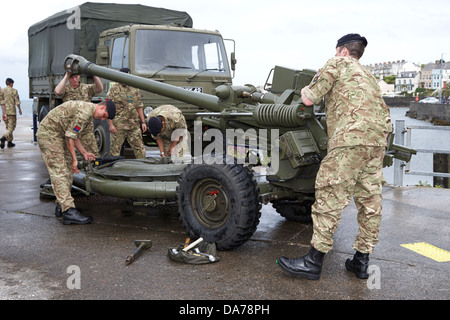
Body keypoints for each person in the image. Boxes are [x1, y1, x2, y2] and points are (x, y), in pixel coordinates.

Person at [277, 34, 393, 280]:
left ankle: (313, 261)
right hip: (377, 141)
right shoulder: (369, 75)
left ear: (341, 50)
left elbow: (309, 99)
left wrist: (305, 89)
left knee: (329, 195)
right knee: (370, 202)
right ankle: (361, 261)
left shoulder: (336, 63)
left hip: (350, 140)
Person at [37, 100, 116, 225]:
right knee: (60, 171)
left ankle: (62, 206)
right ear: (102, 107)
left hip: (59, 135)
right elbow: (70, 136)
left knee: (68, 169)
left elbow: (74, 135)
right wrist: (75, 159)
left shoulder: (89, 114)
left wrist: (84, 153)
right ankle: (68, 211)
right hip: (49, 135)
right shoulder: (84, 113)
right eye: (104, 115)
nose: (102, 119)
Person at [55, 69, 104, 156]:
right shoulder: (65, 89)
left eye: (76, 77)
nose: (74, 79)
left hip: (86, 129)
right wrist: (66, 76)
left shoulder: (86, 88)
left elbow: (99, 88)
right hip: (70, 128)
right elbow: (58, 92)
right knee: (68, 155)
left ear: (79, 77)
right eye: (71, 78)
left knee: (93, 154)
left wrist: (94, 75)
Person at [106, 68, 147, 159]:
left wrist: (143, 122)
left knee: (140, 149)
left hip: (133, 125)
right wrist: (110, 124)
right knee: (115, 150)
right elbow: (108, 107)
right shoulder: (114, 88)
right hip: (118, 125)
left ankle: (143, 167)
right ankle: (114, 169)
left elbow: (139, 106)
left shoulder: (135, 89)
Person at [0, 78, 22, 149]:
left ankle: (9, 142)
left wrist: (3, 113)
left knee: (8, 127)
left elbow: (1, 102)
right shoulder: (14, 91)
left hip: (4, 112)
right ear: (11, 83)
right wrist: (20, 110)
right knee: (11, 128)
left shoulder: (2, 91)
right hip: (12, 112)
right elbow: (17, 101)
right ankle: (3, 138)